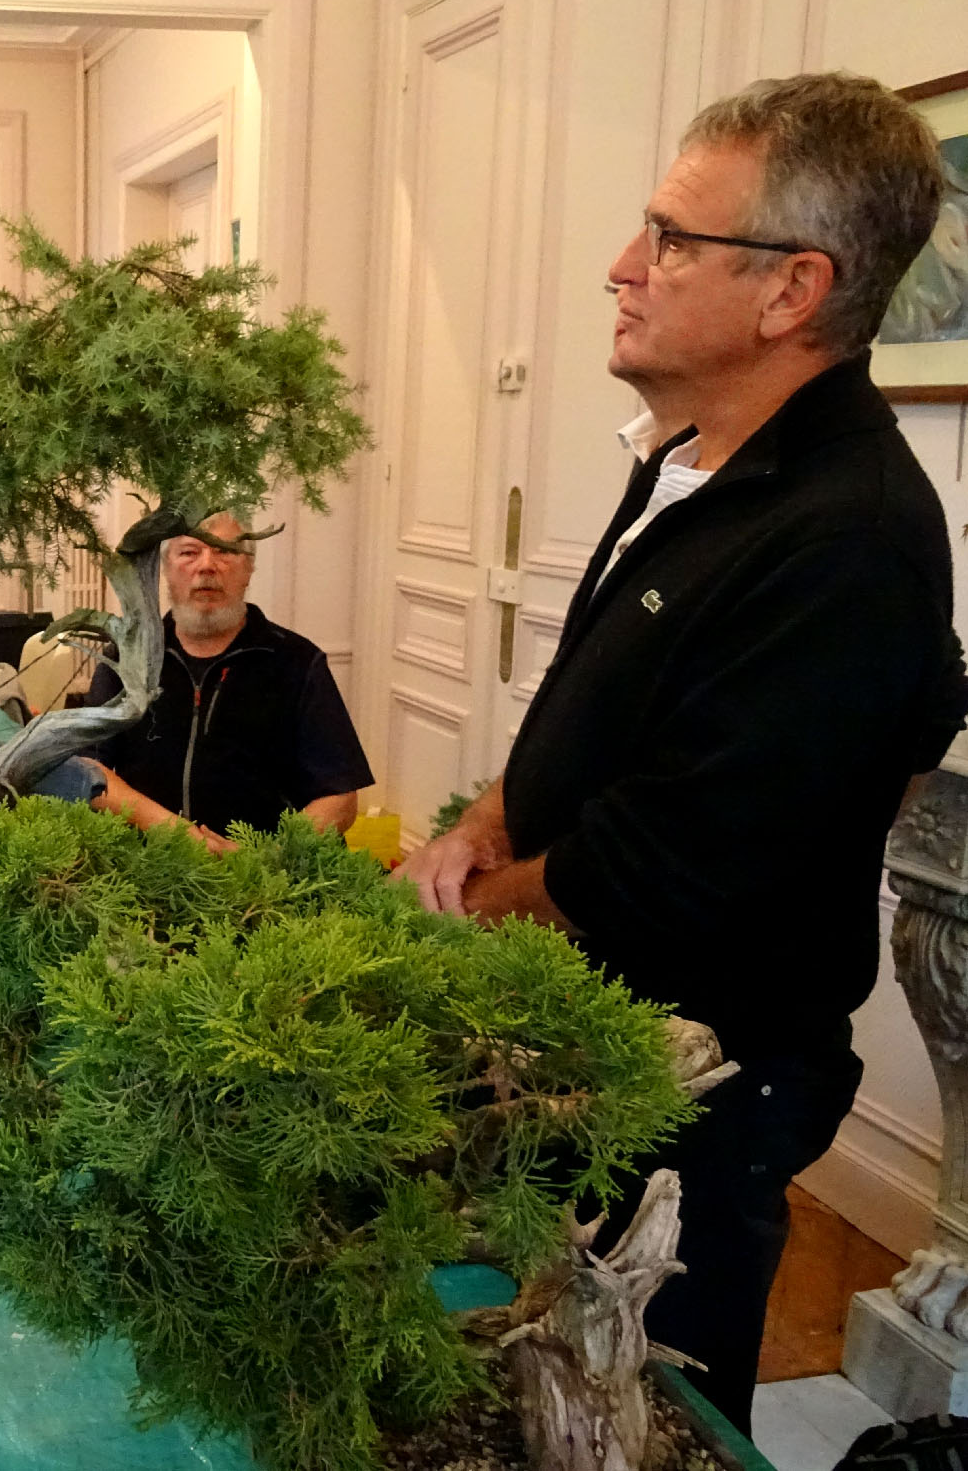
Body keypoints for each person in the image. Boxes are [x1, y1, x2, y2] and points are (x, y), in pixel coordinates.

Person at [393, 73, 968, 1433]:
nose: (622, 265)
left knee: (636, 1418)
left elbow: (663, 867)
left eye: (669, 238)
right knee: (518, 1388)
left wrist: (458, 909)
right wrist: (483, 823)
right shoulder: (697, 459)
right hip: (585, 1045)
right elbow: (589, 711)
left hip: (693, 1092)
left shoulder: (849, 538)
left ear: (791, 292)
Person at [80, 511, 373, 850]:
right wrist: (174, 832)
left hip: (265, 872)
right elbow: (89, 768)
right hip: (148, 862)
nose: (207, 566)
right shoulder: (127, 656)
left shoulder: (297, 662)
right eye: (189, 552)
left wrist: (267, 857)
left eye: (224, 551)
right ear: (166, 569)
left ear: (249, 569)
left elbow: (340, 797)